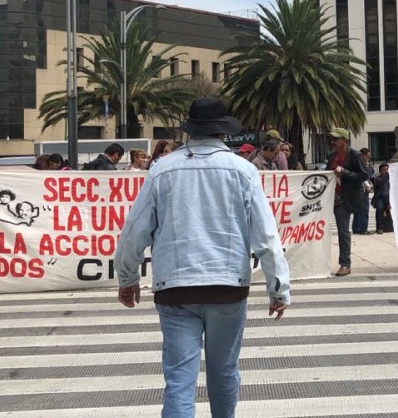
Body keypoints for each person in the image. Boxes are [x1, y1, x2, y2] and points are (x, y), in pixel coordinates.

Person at [114, 97, 290, 417]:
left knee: (180, 379)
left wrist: (128, 279)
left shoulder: (162, 169)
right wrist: (278, 288)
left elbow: (134, 231)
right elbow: (266, 236)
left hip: (175, 287)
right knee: (224, 372)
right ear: (224, 131)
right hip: (228, 286)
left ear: (190, 130)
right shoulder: (242, 170)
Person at [324, 127, 369, 276]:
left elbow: (363, 175)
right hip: (330, 197)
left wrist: (345, 172)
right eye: (333, 139)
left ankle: (345, 263)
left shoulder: (355, 155)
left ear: (345, 140)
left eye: (336, 139)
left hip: (345, 199)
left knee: (343, 232)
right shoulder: (332, 155)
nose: (333, 142)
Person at [352, 148, 374, 234]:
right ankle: (362, 229)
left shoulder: (358, 164)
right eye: (367, 156)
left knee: (357, 210)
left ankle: (356, 228)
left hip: (358, 189)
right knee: (363, 209)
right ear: (363, 155)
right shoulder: (361, 165)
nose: (368, 159)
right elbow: (364, 177)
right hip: (362, 189)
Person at [371, 162, 391, 235]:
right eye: (384, 170)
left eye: (387, 169)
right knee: (379, 208)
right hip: (380, 198)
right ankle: (379, 228)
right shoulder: (377, 178)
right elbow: (381, 182)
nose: (386, 171)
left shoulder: (391, 179)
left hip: (389, 198)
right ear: (380, 171)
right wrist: (387, 175)